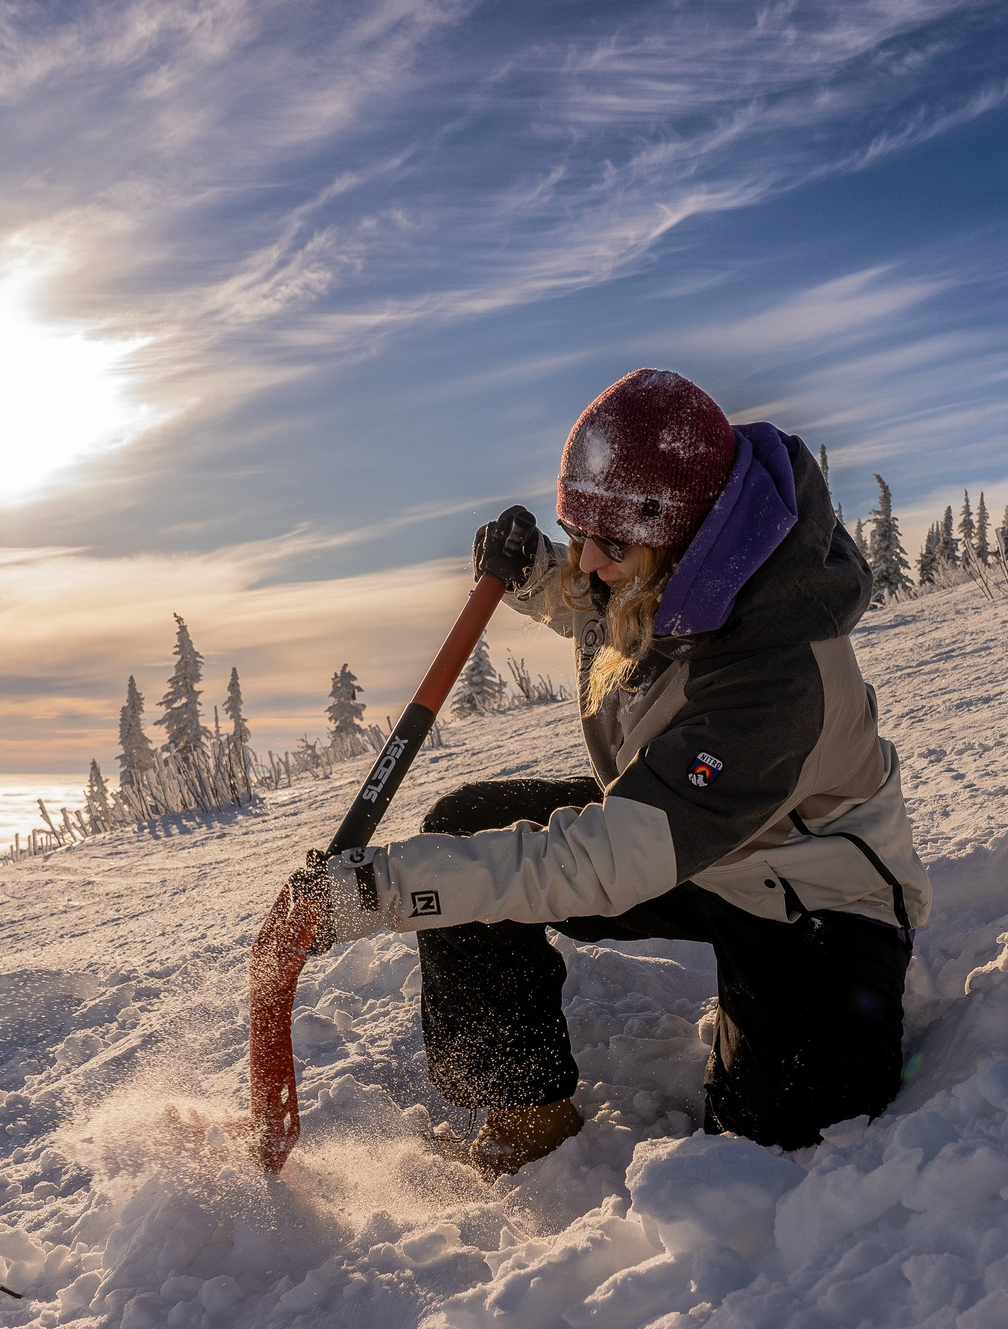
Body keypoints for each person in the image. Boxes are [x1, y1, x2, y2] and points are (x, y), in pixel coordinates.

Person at [291, 368, 931, 1172]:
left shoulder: (777, 678)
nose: (586, 563)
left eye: (611, 542)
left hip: (811, 899)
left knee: (781, 1150)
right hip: (689, 841)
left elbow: (607, 861)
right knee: (464, 830)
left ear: (687, 535)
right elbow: (599, 603)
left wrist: (378, 892)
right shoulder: (678, 569)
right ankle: (528, 1117)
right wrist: (529, 570)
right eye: (576, 531)